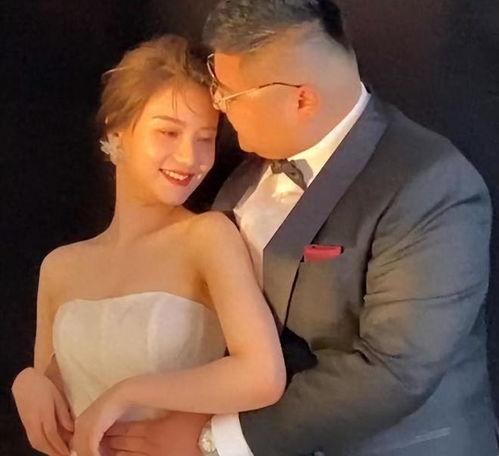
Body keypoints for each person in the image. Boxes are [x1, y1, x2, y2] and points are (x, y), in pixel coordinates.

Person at [96, 1, 498, 455]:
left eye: (229, 96)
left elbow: (394, 372)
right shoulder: (242, 175)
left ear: (302, 99)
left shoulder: (431, 184)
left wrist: (214, 439)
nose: (219, 107)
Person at [11, 34, 285, 456]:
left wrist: (130, 392)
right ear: (117, 131)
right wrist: (27, 382)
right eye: (168, 132)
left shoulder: (207, 237)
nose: (190, 158)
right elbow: (58, 419)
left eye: (205, 138)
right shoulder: (60, 267)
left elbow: (263, 376)